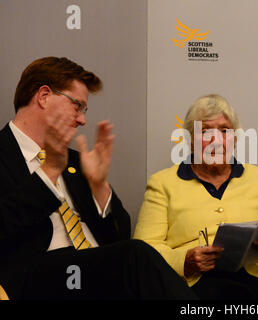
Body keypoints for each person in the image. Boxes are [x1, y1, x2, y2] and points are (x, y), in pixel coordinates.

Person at [0, 56, 196, 300]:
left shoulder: (75, 161)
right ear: (44, 96)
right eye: (77, 105)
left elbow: (120, 237)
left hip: (96, 273)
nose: (82, 119)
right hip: (36, 278)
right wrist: (48, 172)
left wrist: (99, 186)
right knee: (136, 256)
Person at [134, 94, 258, 300]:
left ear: (234, 139)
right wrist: (185, 260)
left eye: (224, 131)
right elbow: (143, 253)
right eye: (206, 131)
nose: (215, 140)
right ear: (191, 140)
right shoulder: (163, 183)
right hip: (197, 285)